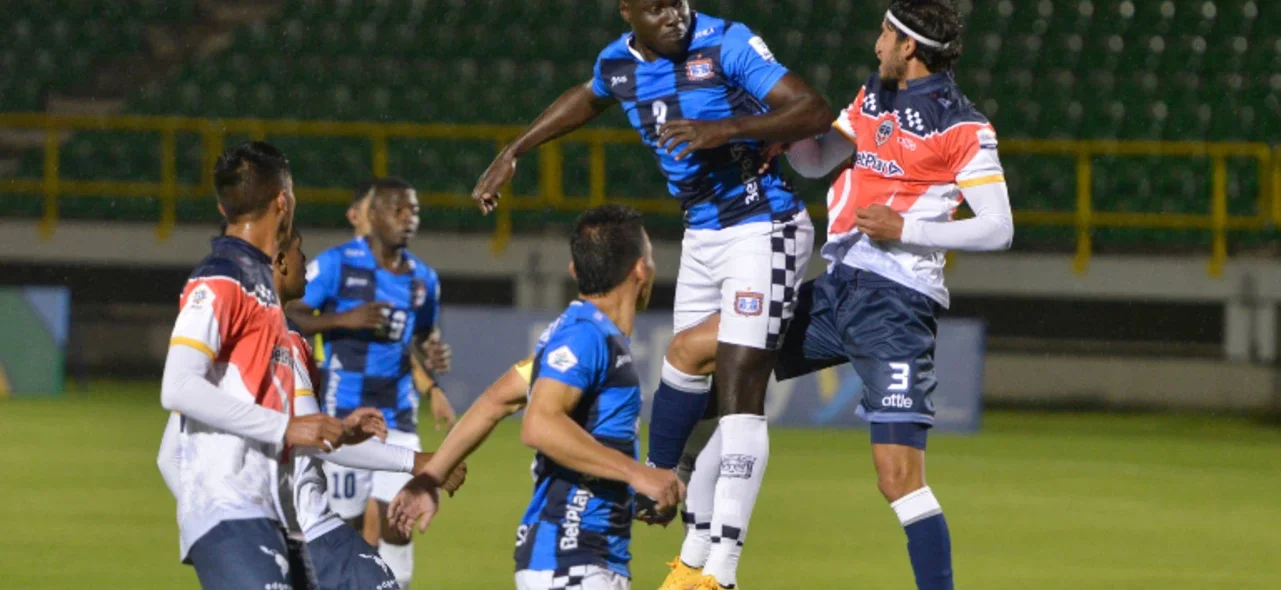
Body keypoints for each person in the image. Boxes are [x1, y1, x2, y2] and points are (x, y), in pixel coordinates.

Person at [470, 3, 833, 588]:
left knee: (741, 386)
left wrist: (725, 129)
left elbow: (813, 109)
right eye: (657, 5)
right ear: (628, 10)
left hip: (764, 225)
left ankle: (719, 571)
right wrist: (515, 149)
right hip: (702, 235)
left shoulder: (726, 42)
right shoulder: (619, 63)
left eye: (679, 1)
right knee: (687, 380)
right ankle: (689, 536)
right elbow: (588, 97)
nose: (674, 14)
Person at [774, 2, 1014, 588]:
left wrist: (907, 229)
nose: (876, 40)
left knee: (898, 477)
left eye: (885, 31)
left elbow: (999, 226)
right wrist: (773, 128)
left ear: (909, 47)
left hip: (896, 305)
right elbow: (816, 161)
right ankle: (698, 545)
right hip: (838, 286)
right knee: (726, 365)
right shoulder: (872, 95)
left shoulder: (964, 126)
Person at [390, 205, 684, 590]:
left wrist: (431, 477)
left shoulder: (583, 335)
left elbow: (498, 400)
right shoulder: (585, 337)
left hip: (579, 558)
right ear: (640, 271)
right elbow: (540, 423)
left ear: (574, 271)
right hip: (571, 557)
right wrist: (637, 474)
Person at [159, 141, 346, 589]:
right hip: (232, 513)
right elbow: (178, 386)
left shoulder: (259, 281)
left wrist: (323, 427)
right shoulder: (221, 276)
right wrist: (287, 429)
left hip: (267, 512)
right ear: (283, 200)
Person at [285, 177, 455, 589]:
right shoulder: (336, 264)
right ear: (373, 215)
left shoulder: (423, 280)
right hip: (345, 419)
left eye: (413, 211)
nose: (408, 219)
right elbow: (291, 315)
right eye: (399, 210)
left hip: (398, 416)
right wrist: (341, 320)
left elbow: (421, 336)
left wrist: (431, 353)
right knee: (346, 527)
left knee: (399, 522)